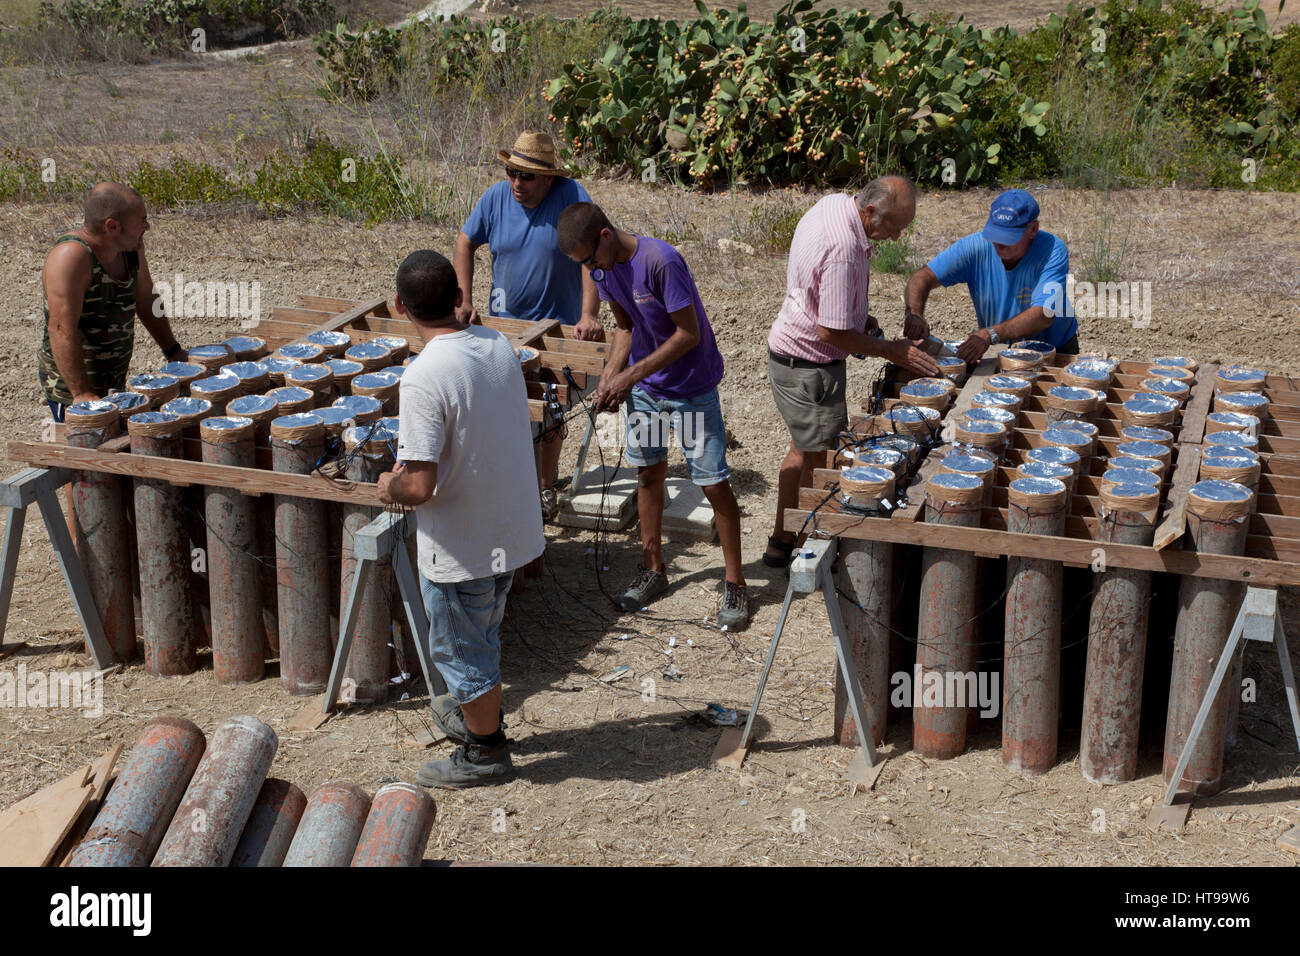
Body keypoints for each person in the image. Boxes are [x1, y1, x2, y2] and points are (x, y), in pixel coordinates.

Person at [377, 249, 545, 788]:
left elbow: (420, 486)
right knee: (485, 630)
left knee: (462, 647)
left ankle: (486, 750)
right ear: (458, 298)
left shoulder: (424, 376)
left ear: (400, 306)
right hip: (508, 530)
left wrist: (389, 485)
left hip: (462, 547)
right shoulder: (497, 344)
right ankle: (477, 715)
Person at [556, 201, 749, 630]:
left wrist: (630, 376)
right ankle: (653, 568)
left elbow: (688, 333)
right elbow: (626, 328)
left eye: (588, 259)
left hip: (689, 392)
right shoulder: (604, 269)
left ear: (605, 235)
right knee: (648, 474)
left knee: (712, 483)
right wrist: (610, 377)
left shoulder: (661, 262)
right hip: (647, 393)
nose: (589, 269)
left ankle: (735, 581)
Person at [764, 176, 939, 568]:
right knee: (823, 463)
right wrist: (890, 350)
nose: (894, 238)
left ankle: (783, 537)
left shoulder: (834, 205)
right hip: (810, 366)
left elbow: (826, 298)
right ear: (870, 210)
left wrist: (860, 319)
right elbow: (831, 331)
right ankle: (809, 550)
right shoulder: (844, 247)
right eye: (892, 227)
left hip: (794, 355)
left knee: (804, 452)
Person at [455, 131, 604, 520]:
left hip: (558, 327)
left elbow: (592, 255)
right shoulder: (494, 199)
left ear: (549, 178)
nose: (517, 183)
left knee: (551, 406)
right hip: (504, 325)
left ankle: (544, 485)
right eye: (511, 173)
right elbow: (464, 243)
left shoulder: (572, 197)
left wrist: (590, 314)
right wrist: (465, 299)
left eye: (526, 176)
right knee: (503, 404)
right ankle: (506, 481)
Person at [39, 182, 186, 420]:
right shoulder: (71, 258)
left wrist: (173, 351)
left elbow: (146, 299)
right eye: (141, 220)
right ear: (112, 226)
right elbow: (61, 329)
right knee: (84, 454)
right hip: (72, 388)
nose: (147, 226)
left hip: (112, 380)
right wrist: (82, 394)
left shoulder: (130, 249)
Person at [903, 188, 1078, 363]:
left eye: (1009, 237)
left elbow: (1043, 314)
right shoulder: (975, 247)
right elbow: (922, 277)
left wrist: (990, 334)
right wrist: (915, 314)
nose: (999, 243)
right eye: (995, 234)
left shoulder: (1052, 250)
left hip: (1052, 349)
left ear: (1033, 229)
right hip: (1000, 347)